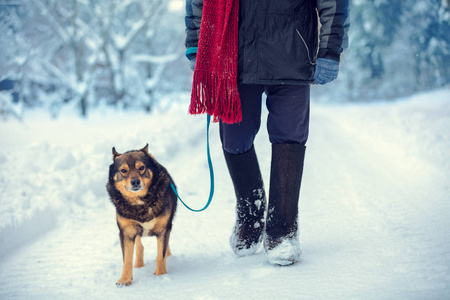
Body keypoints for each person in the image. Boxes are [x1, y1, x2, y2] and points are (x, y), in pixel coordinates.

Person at [185, 0, 349, 266]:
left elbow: (333, 3)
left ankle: (282, 231)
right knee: (234, 137)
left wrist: (330, 49)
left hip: (293, 53)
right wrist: (196, 43)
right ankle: (250, 214)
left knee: (290, 136)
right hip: (234, 56)